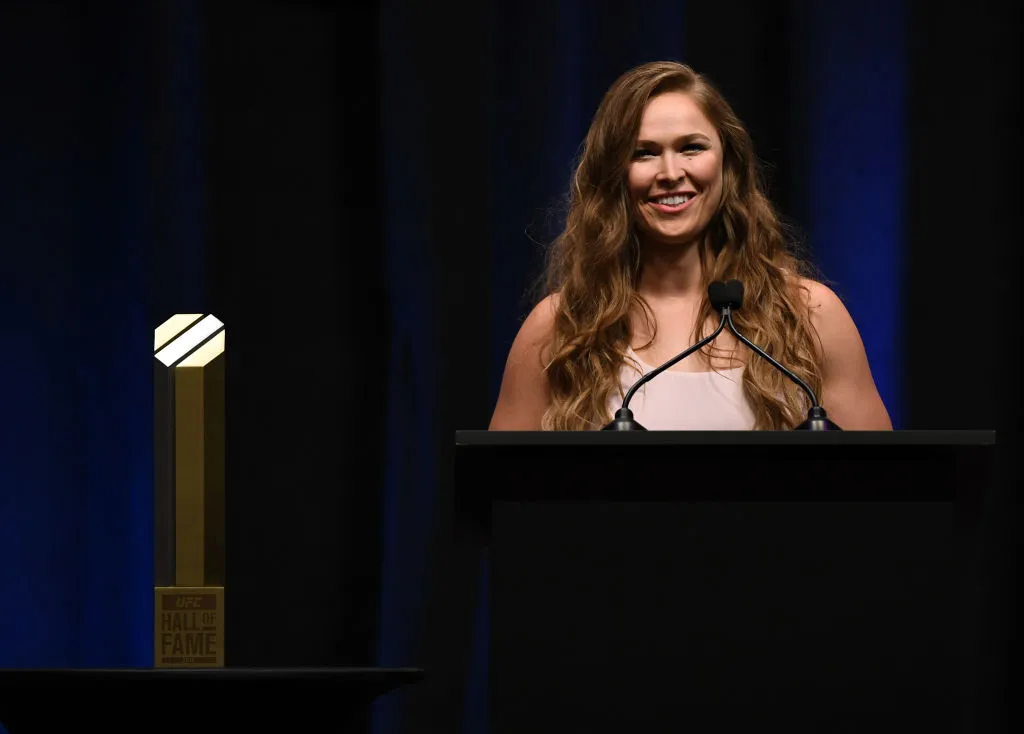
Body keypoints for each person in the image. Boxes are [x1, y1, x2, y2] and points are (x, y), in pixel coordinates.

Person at [489, 60, 892, 431]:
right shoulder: (561, 326)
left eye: (691, 148)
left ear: (727, 164)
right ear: (614, 176)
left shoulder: (810, 315)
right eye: (643, 153)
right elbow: (498, 491)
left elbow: (883, 484)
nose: (670, 173)